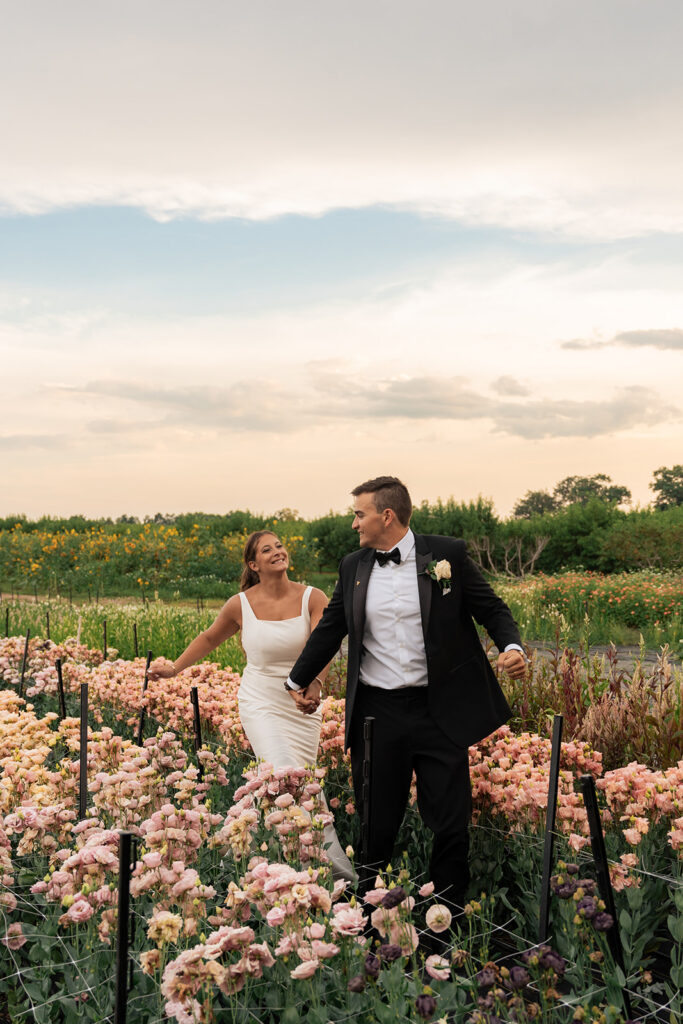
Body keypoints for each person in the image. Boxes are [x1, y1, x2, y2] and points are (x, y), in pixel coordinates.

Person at [286, 476, 526, 910]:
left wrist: (511, 646)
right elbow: (332, 627)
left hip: (440, 712)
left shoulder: (446, 555)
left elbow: (490, 607)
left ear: (387, 515)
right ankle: (367, 918)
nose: (354, 523)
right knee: (375, 824)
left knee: (451, 823)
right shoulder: (353, 566)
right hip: (378, 715)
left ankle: (446, 917)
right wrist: (295, 680)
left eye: (360, 514)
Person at [148, 529, 354, 881]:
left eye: (280, 544)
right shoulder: (239, 604)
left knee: (299, 781)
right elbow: (210, 636)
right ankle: (329, 871)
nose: (277, 551)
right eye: (267, 549)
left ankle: (253, 854)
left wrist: (316, 684)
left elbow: (326, 643)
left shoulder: (313, 597)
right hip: (260, 700)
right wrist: (174, 669)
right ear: (253, 564)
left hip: (303, 703)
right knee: (286, 775)